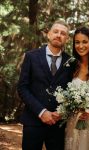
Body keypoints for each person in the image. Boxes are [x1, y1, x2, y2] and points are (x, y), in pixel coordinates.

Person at [17, 19, 75, 150]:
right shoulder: (31, 56)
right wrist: (42, 112)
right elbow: (22, 88)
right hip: (33, 121)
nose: (58, 35)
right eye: (55, 31)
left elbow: (72, 91)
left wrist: (62, 112)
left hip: (58, 124)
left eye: (63, 33)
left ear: (67, 38)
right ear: (48, 34)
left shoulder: (71, 62)